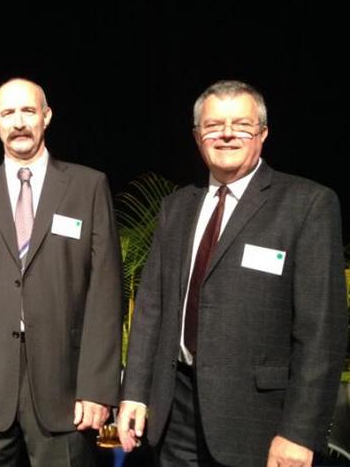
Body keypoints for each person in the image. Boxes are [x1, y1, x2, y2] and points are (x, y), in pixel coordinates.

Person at [117, 80, 347, 467]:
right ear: (197, 136)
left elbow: (321, 332)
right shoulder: (176, 208)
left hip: (259, 420)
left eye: (241, 124)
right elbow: (151, 310)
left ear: (263, 134)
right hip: (175, 411)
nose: (226, 134)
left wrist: (299, 433)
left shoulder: (307, 205)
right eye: (213, 126)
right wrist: (135, 392)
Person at [0, 78, 123, 466]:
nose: (19, 122)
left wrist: (96, 387)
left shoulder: (88, 186)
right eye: (8, 113)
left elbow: (105, 292)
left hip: (67, 392)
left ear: (47, 116)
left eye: (28, 111)